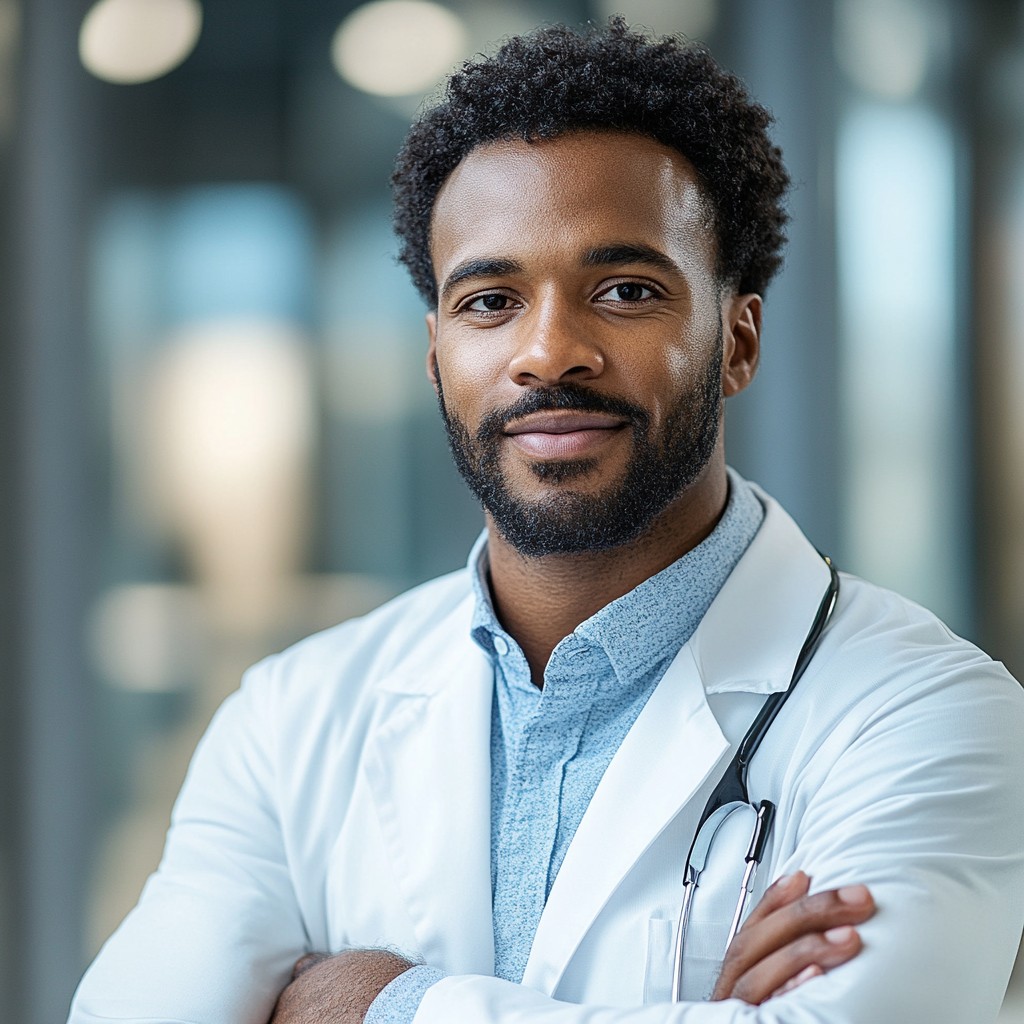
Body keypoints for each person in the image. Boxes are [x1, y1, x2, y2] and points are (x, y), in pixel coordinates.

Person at [68, 19, 1024, 1024]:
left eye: (623, 290)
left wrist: (377, 1003)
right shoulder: (291, 720)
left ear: (735, 339)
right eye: (489, 300)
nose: (547, 352)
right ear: (436, 354)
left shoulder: (927, 714)